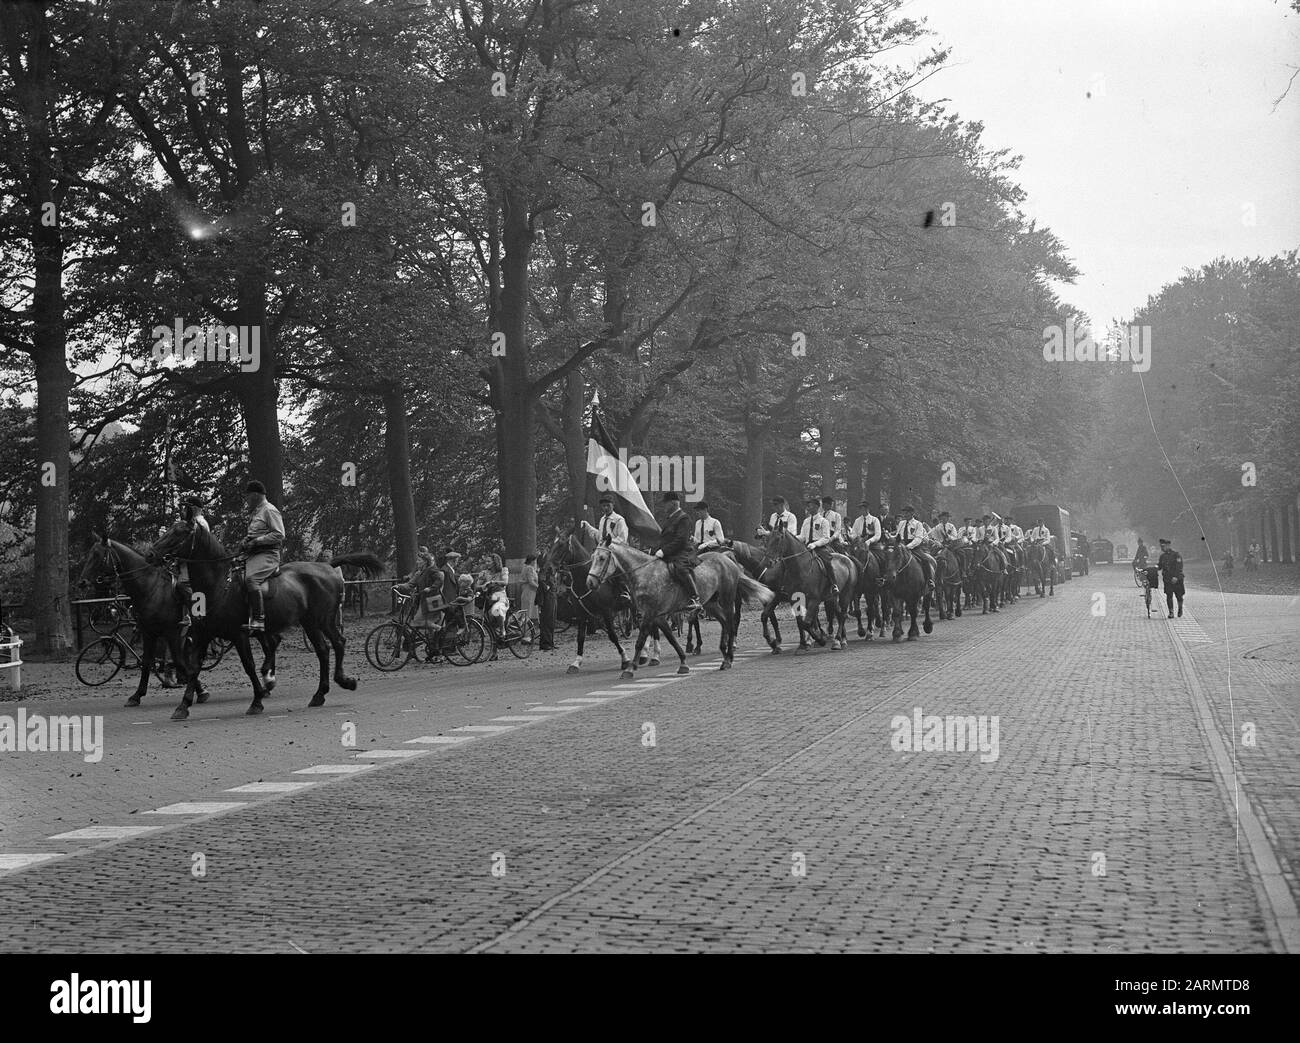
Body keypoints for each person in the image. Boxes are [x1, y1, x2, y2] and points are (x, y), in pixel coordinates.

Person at [239, 480, 284, 631]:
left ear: (256, 495)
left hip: (268, 554)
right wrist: (246, 540)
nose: (246, 499)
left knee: (251, 579)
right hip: (252, 554)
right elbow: (254, 533)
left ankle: (259, 619)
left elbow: (279, 534)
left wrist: (257, 541)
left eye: (248, 496)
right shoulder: (256, 512)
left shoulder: (269, 510)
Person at [654, 491, 703, 611]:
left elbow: (681, 540)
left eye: (666, 504)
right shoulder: (670, 518)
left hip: (682, 552)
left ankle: (695, 597)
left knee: (681, 568)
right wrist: (656, 549)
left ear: (673, 503)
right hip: (671, 551)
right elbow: (665, 538)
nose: (664, 506)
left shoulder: (683, 518)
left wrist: (664, 551)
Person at [174, 493, 210, 626]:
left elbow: (188, 543)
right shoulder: (195, 522)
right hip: (188, 563)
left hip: (194, 564)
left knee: (184, 585)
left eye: (186, 508)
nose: (184, 511)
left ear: (193, 509)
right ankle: (188, 615)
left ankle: (197, 615)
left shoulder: (199, 522)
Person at [799, 495, 838, 594]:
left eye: (810, 506)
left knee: (827, 561)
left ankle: (833, 584)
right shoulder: (806, 521)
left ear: (817, 507)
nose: (808, 508)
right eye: (807, 506)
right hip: (807, 546)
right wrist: (792, 537)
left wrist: (815, 544)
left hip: (819, 547)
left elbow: (826, 538)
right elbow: (802, 537)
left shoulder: (823, 521)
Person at [897, 505, 936, 594]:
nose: (905, 514)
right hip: (902, 545)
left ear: (912, 513)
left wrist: (908, 547)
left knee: (925, 560)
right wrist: (890, 536)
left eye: (907, 512)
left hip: (914, 547)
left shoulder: (918, 524)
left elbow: (918, 538)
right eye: (904, 512)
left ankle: (929, 581)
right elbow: (897, 535)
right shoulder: (901, 523)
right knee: (891, 558)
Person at [1157, 538, 1185, 617]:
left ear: (1168, 546)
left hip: (1177, 579)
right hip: (1167, 579)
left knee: (1179, 595)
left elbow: (1179, 567)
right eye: (1161, 546)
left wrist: (1176, 577)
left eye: (1163, 546)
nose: (1162, 548)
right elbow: (1159, 566)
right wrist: (1154, 568)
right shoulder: (1162, 556)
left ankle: (1180, 608)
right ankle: (1171, 612)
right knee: (1169, 595)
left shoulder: (1176, 555)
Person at [537, 562, 556, 650]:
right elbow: (541, 585)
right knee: (546, 621)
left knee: (551, 621)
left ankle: (550, 642)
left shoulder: (552, 575)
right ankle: (545, 643)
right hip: (546, 600)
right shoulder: (544, 573)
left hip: (552, 598)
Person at [520, 554, 539, 622]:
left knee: (527, 612)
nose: (535, 563)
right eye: (535, 561)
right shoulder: (529, 568)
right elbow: (531, 582)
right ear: (532, 561)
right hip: (529, 592)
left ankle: (528, 629)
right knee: (528, 612)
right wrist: (539, 587)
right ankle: (526, 629)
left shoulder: (526, 567)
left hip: (528, 591)